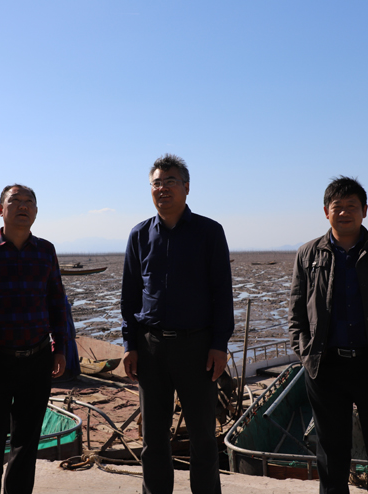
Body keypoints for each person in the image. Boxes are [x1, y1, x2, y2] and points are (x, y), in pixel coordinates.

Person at [288, 176, 368, 494]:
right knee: (331, 450)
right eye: (337, 206)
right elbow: (296, 310)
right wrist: (306, 353)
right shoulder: (308, 254)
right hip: (325, 366)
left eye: (351, 206)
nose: (344, 212)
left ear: (365, 210)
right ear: (325, 212)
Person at [121, 154, 234, 494]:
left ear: (186, 187)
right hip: (151, 348)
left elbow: (222, 293)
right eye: (156, 183)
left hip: (196, 348)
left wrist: (219, 344)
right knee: (153, 439)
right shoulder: (139, 235)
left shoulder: (209, 232)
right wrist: (130, 345)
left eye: (170, 181)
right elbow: (129, 296)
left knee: (203, 438)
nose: (163, 189)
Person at [0, 184, 68, 494]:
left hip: (37, 359)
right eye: (15, 201)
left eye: (29, 202)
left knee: (27, 443)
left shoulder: (45, 250)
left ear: (36, 211)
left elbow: (56, 301)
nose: (23, 206)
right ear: (1, 209)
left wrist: (60, 348)